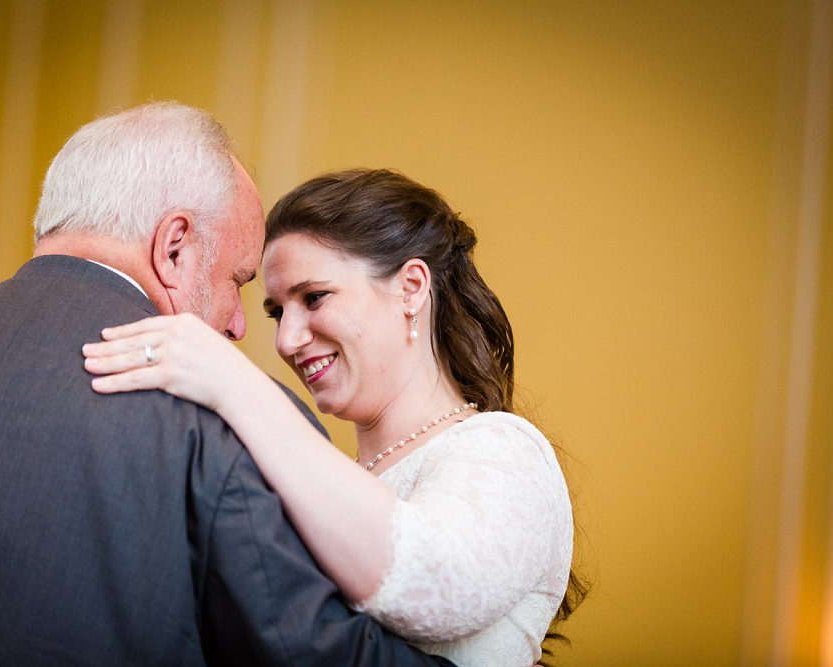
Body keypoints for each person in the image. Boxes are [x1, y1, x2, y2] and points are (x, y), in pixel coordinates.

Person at [0, 104, 458, 667]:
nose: (240, 327)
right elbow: (307, 649)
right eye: (237, 283)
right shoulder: (226, 413)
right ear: (175, 248)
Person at [82, 169, 584, 667]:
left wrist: (238, 386)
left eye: (314, 297)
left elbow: (433, 584)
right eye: (278, 312)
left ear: (411, 288)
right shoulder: (341, 476)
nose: (286, 340)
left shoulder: (504, 448)